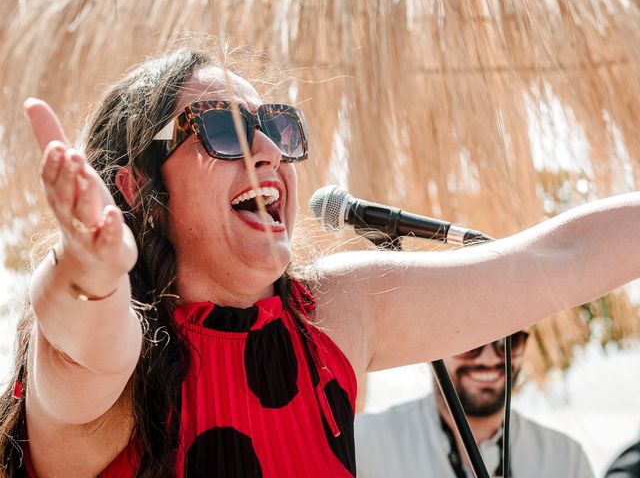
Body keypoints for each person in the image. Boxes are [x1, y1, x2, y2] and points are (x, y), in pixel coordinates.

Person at [1, 43, 640, 477]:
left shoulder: (331, 315)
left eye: (277, 128)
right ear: (140, 190)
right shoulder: (108, 365)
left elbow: (561, 256)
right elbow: (85, 339)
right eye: (220, 129)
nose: (266, 151)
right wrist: (89, 267)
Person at [355, 331, 595, 478]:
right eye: (467, 340)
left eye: (508, 340)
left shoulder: (567, 459)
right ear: (428, 349)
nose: (489, 358)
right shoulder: (364, 444)